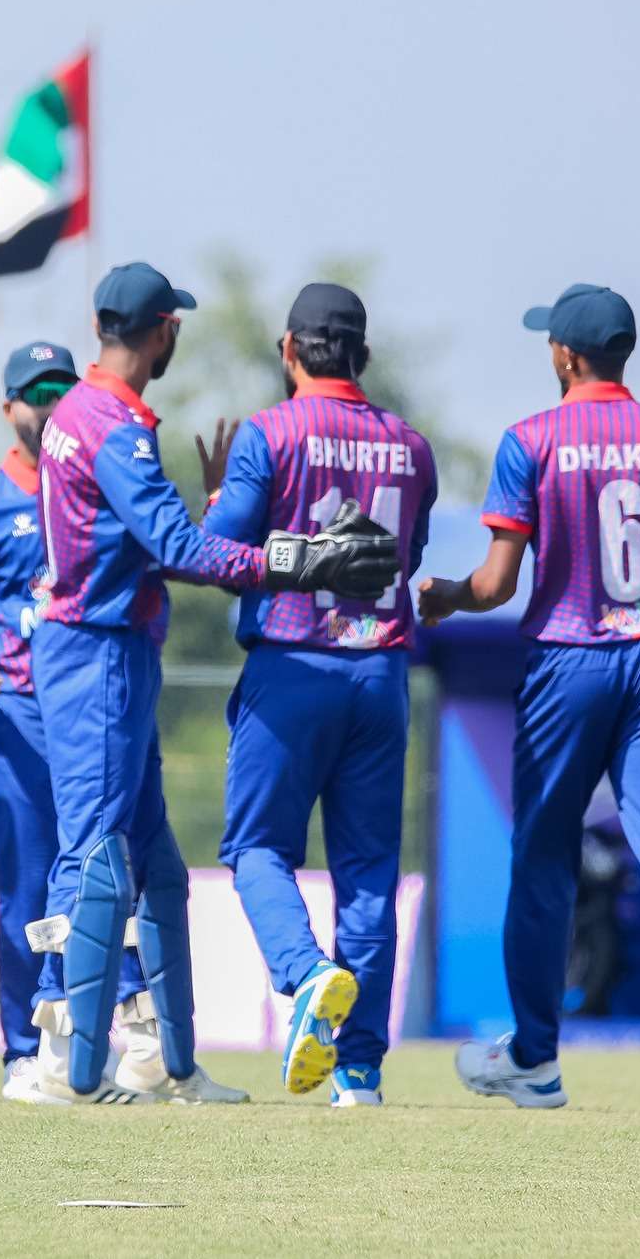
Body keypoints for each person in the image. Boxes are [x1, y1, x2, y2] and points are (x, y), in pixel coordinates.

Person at [27, 263, 401, 1105]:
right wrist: (303, 558)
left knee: (154, 857)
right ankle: (57, 1056)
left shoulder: (79, 409)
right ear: (164, 330)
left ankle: (164, 1061)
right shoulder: (114, 424)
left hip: (106, 644)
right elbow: (180, 548)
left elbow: (166, 536)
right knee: (93, 852)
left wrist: (232, 512)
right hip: (97, 647)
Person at [421, 283, 640, 1119]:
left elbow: (497, 583)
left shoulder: (530, 438)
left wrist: (448, 596)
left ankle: (534, 1058)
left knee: (544, 858)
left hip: (569, 659)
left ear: (565, 355)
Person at [200, 284, 437, 1106]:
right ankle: (359, 1072)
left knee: (256, 849)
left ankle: (305, 975)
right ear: (362, 354)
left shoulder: (270, 431)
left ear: (289, 349)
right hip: (380, 672)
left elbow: (218, 554)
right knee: (368, 875)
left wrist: (215, 507)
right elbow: (405, 553)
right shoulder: (412, 446)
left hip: (293, 664)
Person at [0, 341, 126, 1102]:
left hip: (97, 708)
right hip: (22, 713)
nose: (51, 405)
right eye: (36, 394)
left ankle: (98, 1041)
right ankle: (23, 1053)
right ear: (8, 408)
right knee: (28, 886)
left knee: (107, 877)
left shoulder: (103, 487)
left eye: (62, 391)